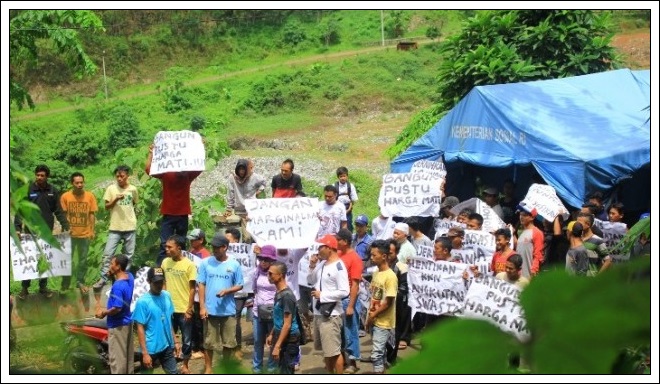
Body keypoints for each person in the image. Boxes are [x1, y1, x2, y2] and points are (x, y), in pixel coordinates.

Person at [14, 164, 70, 299]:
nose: (39, 177)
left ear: (47, 177)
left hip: (46, 231)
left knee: (45, 258)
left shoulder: (53, 190)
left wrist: (66, 225)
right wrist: (17, 228)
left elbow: (58, 210)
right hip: (30, 231)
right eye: (37, 175)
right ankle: (24, 289)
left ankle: (43, 287)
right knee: (29, 259)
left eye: (42, 175)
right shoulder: (28, 190)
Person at [146, 143, 202, 266]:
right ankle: (162, 271)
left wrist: (151, 153)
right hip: (173, 213)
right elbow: (200, 166)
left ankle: (175, 269)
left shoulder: (181, 174)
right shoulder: (174, 173)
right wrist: (201, 149)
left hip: (177, 213)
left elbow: (148, 169)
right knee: (169, 244)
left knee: (171, 244)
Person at [198, 233, 244, 373]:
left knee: (229, 342)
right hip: (210, 310)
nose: (214, 250)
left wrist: (228, 291)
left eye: (217, 247)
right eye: (213, 247)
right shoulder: (206, 263)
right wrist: (202, 306)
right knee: (209, 342)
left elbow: (240, 285)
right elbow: (201, 284)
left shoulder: (234, 264)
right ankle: (208, 369)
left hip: (228, 310)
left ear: (225, 247)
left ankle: (225, 366)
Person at [307, 234, 350, 374]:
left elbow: (344, 291)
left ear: (329, 248)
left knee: (334, 351)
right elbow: (310, 280)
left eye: (321, 247)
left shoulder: (339, 267)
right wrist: (312, 266)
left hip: (331, 315)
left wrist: (323, 295)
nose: (318, 250)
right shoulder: (321, 264)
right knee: (326, 351)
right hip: (319, 313)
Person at [94, 165, 139, 291]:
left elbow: (134, 203)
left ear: (127, 176)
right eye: (117, 176)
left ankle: (123, 277)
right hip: (115, 226)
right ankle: (103, 277)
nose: (119, 178)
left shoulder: (133, 189)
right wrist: (115, 199)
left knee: (129, 255)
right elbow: (107, 206)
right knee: (108, 254)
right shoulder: (111, 189)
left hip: (130, 225)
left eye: (122, 176)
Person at [132, 267, 179, 374]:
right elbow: (140, 328)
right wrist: (145, 353)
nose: (159, 285)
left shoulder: (167, 296)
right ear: (149, 281)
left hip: (167, 345)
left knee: (174, 373)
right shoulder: (142, 302)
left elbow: (168, 320)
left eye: (161, 282)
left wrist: (175, 341)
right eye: (156, 282)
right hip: (150, 348)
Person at [160, 235, 197, 374]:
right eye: (166, 246)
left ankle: (185, 365)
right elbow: (163, 281)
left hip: (183, 309)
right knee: (169, 337)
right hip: (169, 308)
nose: (167, 249)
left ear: (179, 248)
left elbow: (193, 288)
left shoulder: (189, 265)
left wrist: (189, 308)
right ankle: (170, 364)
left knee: (186, 339)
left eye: (170, 247)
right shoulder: (165, 262)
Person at [95, 254, 135, 374]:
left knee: (117, 361)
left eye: (112, 264)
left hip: (117, 326)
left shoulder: (118, 286)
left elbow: (117, 308)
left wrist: (104, 312)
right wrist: (112, 275)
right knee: (127, 359)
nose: (110, 266)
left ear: (118, 266)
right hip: (128, 323)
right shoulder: (130, 277)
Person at [60, 172, 98, 295]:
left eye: (81, 182)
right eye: (77, 183)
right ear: (72, 183)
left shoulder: (90, 196)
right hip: (70, 235)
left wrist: (92, 230)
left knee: (83, 260)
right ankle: (65, 284)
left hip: (84, 234)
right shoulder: (65, 197)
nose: (80, 185)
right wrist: (65, 229)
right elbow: (63, 214)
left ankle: (80, 282)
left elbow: (92, 214)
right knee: (67, 260)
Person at [365, 240, 397, 374]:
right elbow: (374, 296)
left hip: (383, 321)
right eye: (371, 255)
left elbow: (388, 302)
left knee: (377, 353)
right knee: (380, 351)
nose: (371, 258)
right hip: (374, 318)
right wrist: (369, 317)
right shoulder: (376, 273)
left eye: (374, 255)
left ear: (384, 256)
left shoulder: (391, 276)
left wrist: (373, 314)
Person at [266, 261, 302, 374]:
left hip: (289, 339)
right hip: (281, 336)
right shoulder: (279, 293)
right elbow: (279, 318)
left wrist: (277, 346)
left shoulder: (287, 296)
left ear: (280, 275)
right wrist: (272, 334)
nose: (268, 276)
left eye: (271, 273)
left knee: (286, 371)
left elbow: (287, 324)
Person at [336, 228, 364, 373]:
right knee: (340, 332)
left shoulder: (355, 259)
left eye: (338, 239)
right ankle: (343, 359)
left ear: (345, 242)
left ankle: (353, 362)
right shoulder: (338, 255)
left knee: (350, 331)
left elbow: (355, 284)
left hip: (348, 299)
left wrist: (351, 306)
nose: (336, 242)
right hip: (338, 299)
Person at [224, 159, 267, 243]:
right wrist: (229, 208)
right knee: (232, 239)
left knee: (248, 238)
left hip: (250, 211)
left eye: (243, 169)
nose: (241, 172)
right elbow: (231, 192)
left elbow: (264, 182)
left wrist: (259, 191)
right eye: (240, 169)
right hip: (238, 209)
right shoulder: (233, 177)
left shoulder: (254, 177)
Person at [251, 245, 278, 374]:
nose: (263, 262)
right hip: (258, 312)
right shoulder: (256, 272)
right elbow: (254, 289)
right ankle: (257, 368)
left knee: (273, 340)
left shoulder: (277, 274)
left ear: (272, 261)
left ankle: (272, 367)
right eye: (261, 259)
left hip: (273, 312)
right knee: (257, 341)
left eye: (266, 259)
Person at [187, 228, 210, 360]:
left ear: (201, 240)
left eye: (194, 239)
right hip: (192, 290)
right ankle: (195, 345)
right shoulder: (190, 253)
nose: (191, 241)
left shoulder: (206, 255)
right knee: (193, 320)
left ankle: (201, 347)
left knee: (200, 322)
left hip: (201, 291)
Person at [516, 205, 544, 279]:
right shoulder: (522, 232)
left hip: (529, 276)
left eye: (524, 215)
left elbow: (538, 255)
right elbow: (519, 248)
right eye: (520, 214)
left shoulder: (537, 232)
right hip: (519, 276)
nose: (521, 217)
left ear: (532, 217)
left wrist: (534, 272)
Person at [335, 166, 358, 232]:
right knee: (337, 228)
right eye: (341, 176)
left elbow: (353, 200)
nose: (343, 178)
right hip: (337, 210)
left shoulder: (350, 186)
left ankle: (349, 241)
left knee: (348, 227)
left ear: (347, 176)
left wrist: (348, 209)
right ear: (338, 177)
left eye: (344, 176)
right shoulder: (334, 185)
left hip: (348, 210)